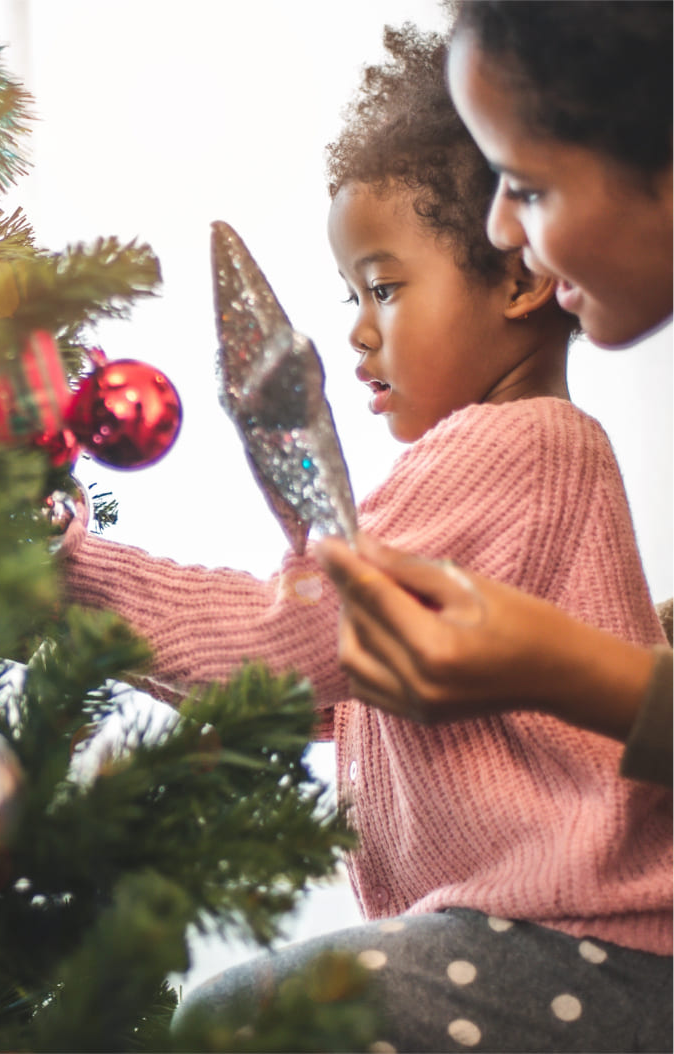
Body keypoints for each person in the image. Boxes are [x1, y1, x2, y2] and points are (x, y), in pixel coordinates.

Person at [57, 25, 672, 1052]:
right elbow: (365, 682)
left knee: (239, 1021)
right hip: (565, 949)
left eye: (382, 288)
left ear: (515, 284)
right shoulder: (519, 453)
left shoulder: (507, 444)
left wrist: (68, 575)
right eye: (351, 295)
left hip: (587, 947)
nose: (354, 329)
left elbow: (284, 640)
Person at [311, 0, 673, 789]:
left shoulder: (529, 438)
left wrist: (567, 667)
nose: (502, 229)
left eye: (528, 186)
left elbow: (297, 624)